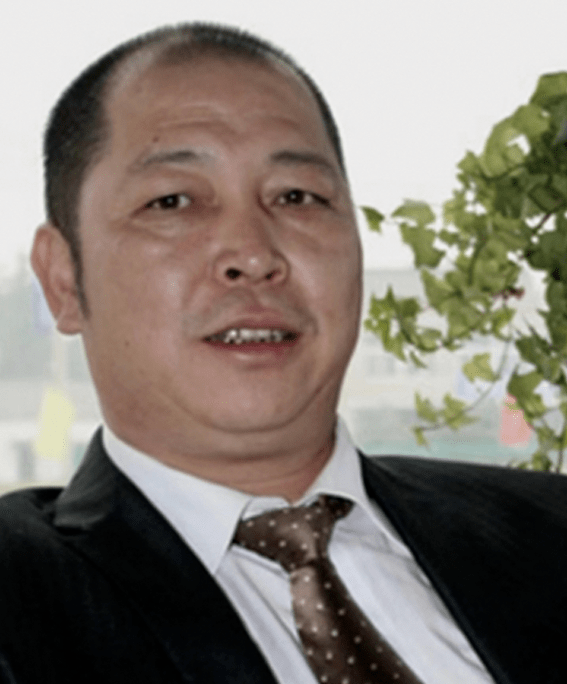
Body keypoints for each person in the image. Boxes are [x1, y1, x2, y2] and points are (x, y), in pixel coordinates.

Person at [1, 23, 566, 684]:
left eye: (297, 197)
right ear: (64, 279)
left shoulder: (548, 533)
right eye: (173, 201)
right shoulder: (24, 598)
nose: (252, 254)